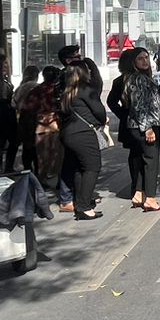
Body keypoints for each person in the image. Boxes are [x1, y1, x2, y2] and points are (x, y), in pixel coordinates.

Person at [58, 63, 108, 221]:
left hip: (68, 133)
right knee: (92, 167)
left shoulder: (66, 91)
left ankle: (81, 203)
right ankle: (84, 206)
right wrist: (101, 121)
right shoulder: (85, 89)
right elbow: (99, 110)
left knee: (79, 169)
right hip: (84, 133)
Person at [123, 48, 160, 211]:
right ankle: (150, 198)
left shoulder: (142, 78)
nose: (145, 61)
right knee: (151, 162)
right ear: (133, 62)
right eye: (140, 58)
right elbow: (138, 106)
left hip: (140, 125)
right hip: (144, 125)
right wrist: (147, 128)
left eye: (146, 58)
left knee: (143, 161)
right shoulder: (137, 79)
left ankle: (139, 193)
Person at [107, 48, 143, 202]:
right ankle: (138, 187)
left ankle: (137, 187)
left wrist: (123, 114)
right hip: (135, 122)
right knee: (139, 155)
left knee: (135, 155)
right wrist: (124, 113)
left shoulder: (121, 80)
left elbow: (111, 102)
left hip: (129, 121)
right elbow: (111, 102)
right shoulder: (123, 81)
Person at [29, 66, 65, 197]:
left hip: (40, 126)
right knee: (58, 156)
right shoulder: (58, 90)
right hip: (56, 124)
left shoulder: (36, 90)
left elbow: (28, 107)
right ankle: (59, 181)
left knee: (42, 157)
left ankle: (42, 181)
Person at [11, 64, 41, 173]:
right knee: (35, 146)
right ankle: (37, 170)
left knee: (26, 145)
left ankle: (27, 168)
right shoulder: (37, 87)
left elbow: (13, 104)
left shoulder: (20, 87)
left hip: (23, 118)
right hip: (35, 118)